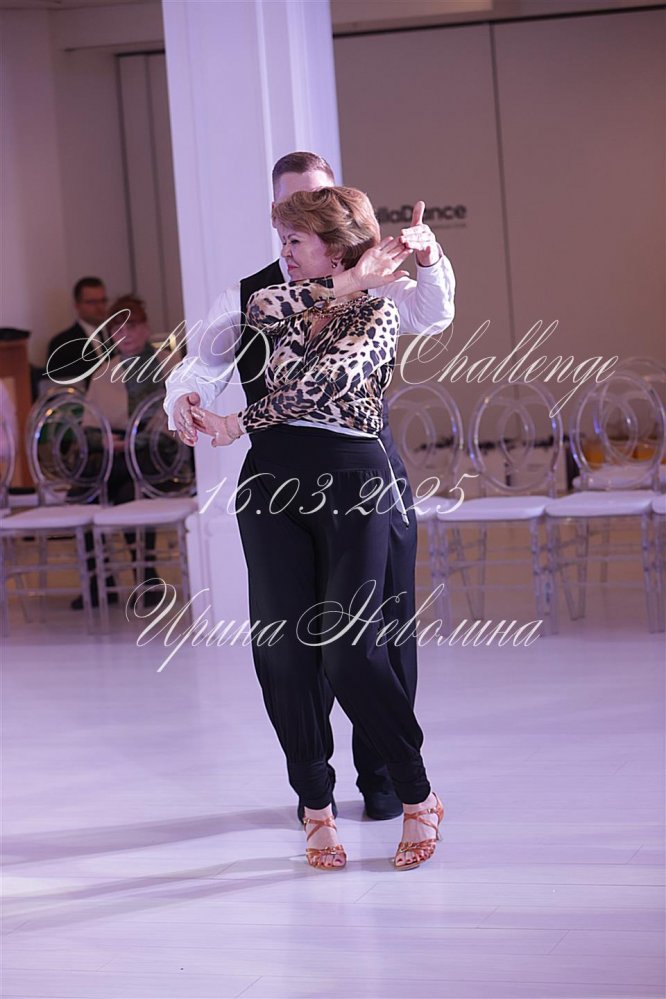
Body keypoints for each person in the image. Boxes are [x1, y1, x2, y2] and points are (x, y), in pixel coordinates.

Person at [164, 151, 455, 823]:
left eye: (319, 202)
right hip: (277, 480)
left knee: (376, 634)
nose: (300, 219)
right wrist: (184, 397)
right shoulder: (257, 293)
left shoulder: (381, 288)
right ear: (275, 212)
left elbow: (431, 313)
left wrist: (429, 258)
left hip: (362, 471)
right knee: (288, 642)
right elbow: (205, 361)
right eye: (290, 210)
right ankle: (314, 791)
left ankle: (388, 782)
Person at [70, 294, 180, 610]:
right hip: (116, 454)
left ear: (145, 328)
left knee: (121, 490)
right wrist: (106, 442)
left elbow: (173, 422)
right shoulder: (103, 372)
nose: (125, 335)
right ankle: (98, 579)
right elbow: (89, 428)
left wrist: (135, 441)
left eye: (131, 326)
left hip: (158, 452)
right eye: (117, 328)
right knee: (98, 490)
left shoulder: (169, 364)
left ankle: (145, 576)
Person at [45, 277, 111, 389]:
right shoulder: (62, 344)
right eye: (92, 302)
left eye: (103, 301)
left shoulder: (118, 334)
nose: (100, 307)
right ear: (77, 305)